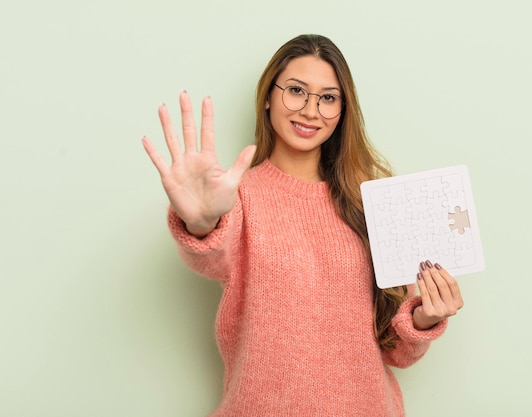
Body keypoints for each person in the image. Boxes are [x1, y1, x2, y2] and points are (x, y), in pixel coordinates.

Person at [142, 34, 464, 417]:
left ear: (343, 110)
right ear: (267, 96)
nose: (311, 110)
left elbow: (393, 348)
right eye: (296, 91)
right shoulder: (237, 197)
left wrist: (424, 317)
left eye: (328, 98)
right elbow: (212, 255)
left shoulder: (368, 202)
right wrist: (201, 223)